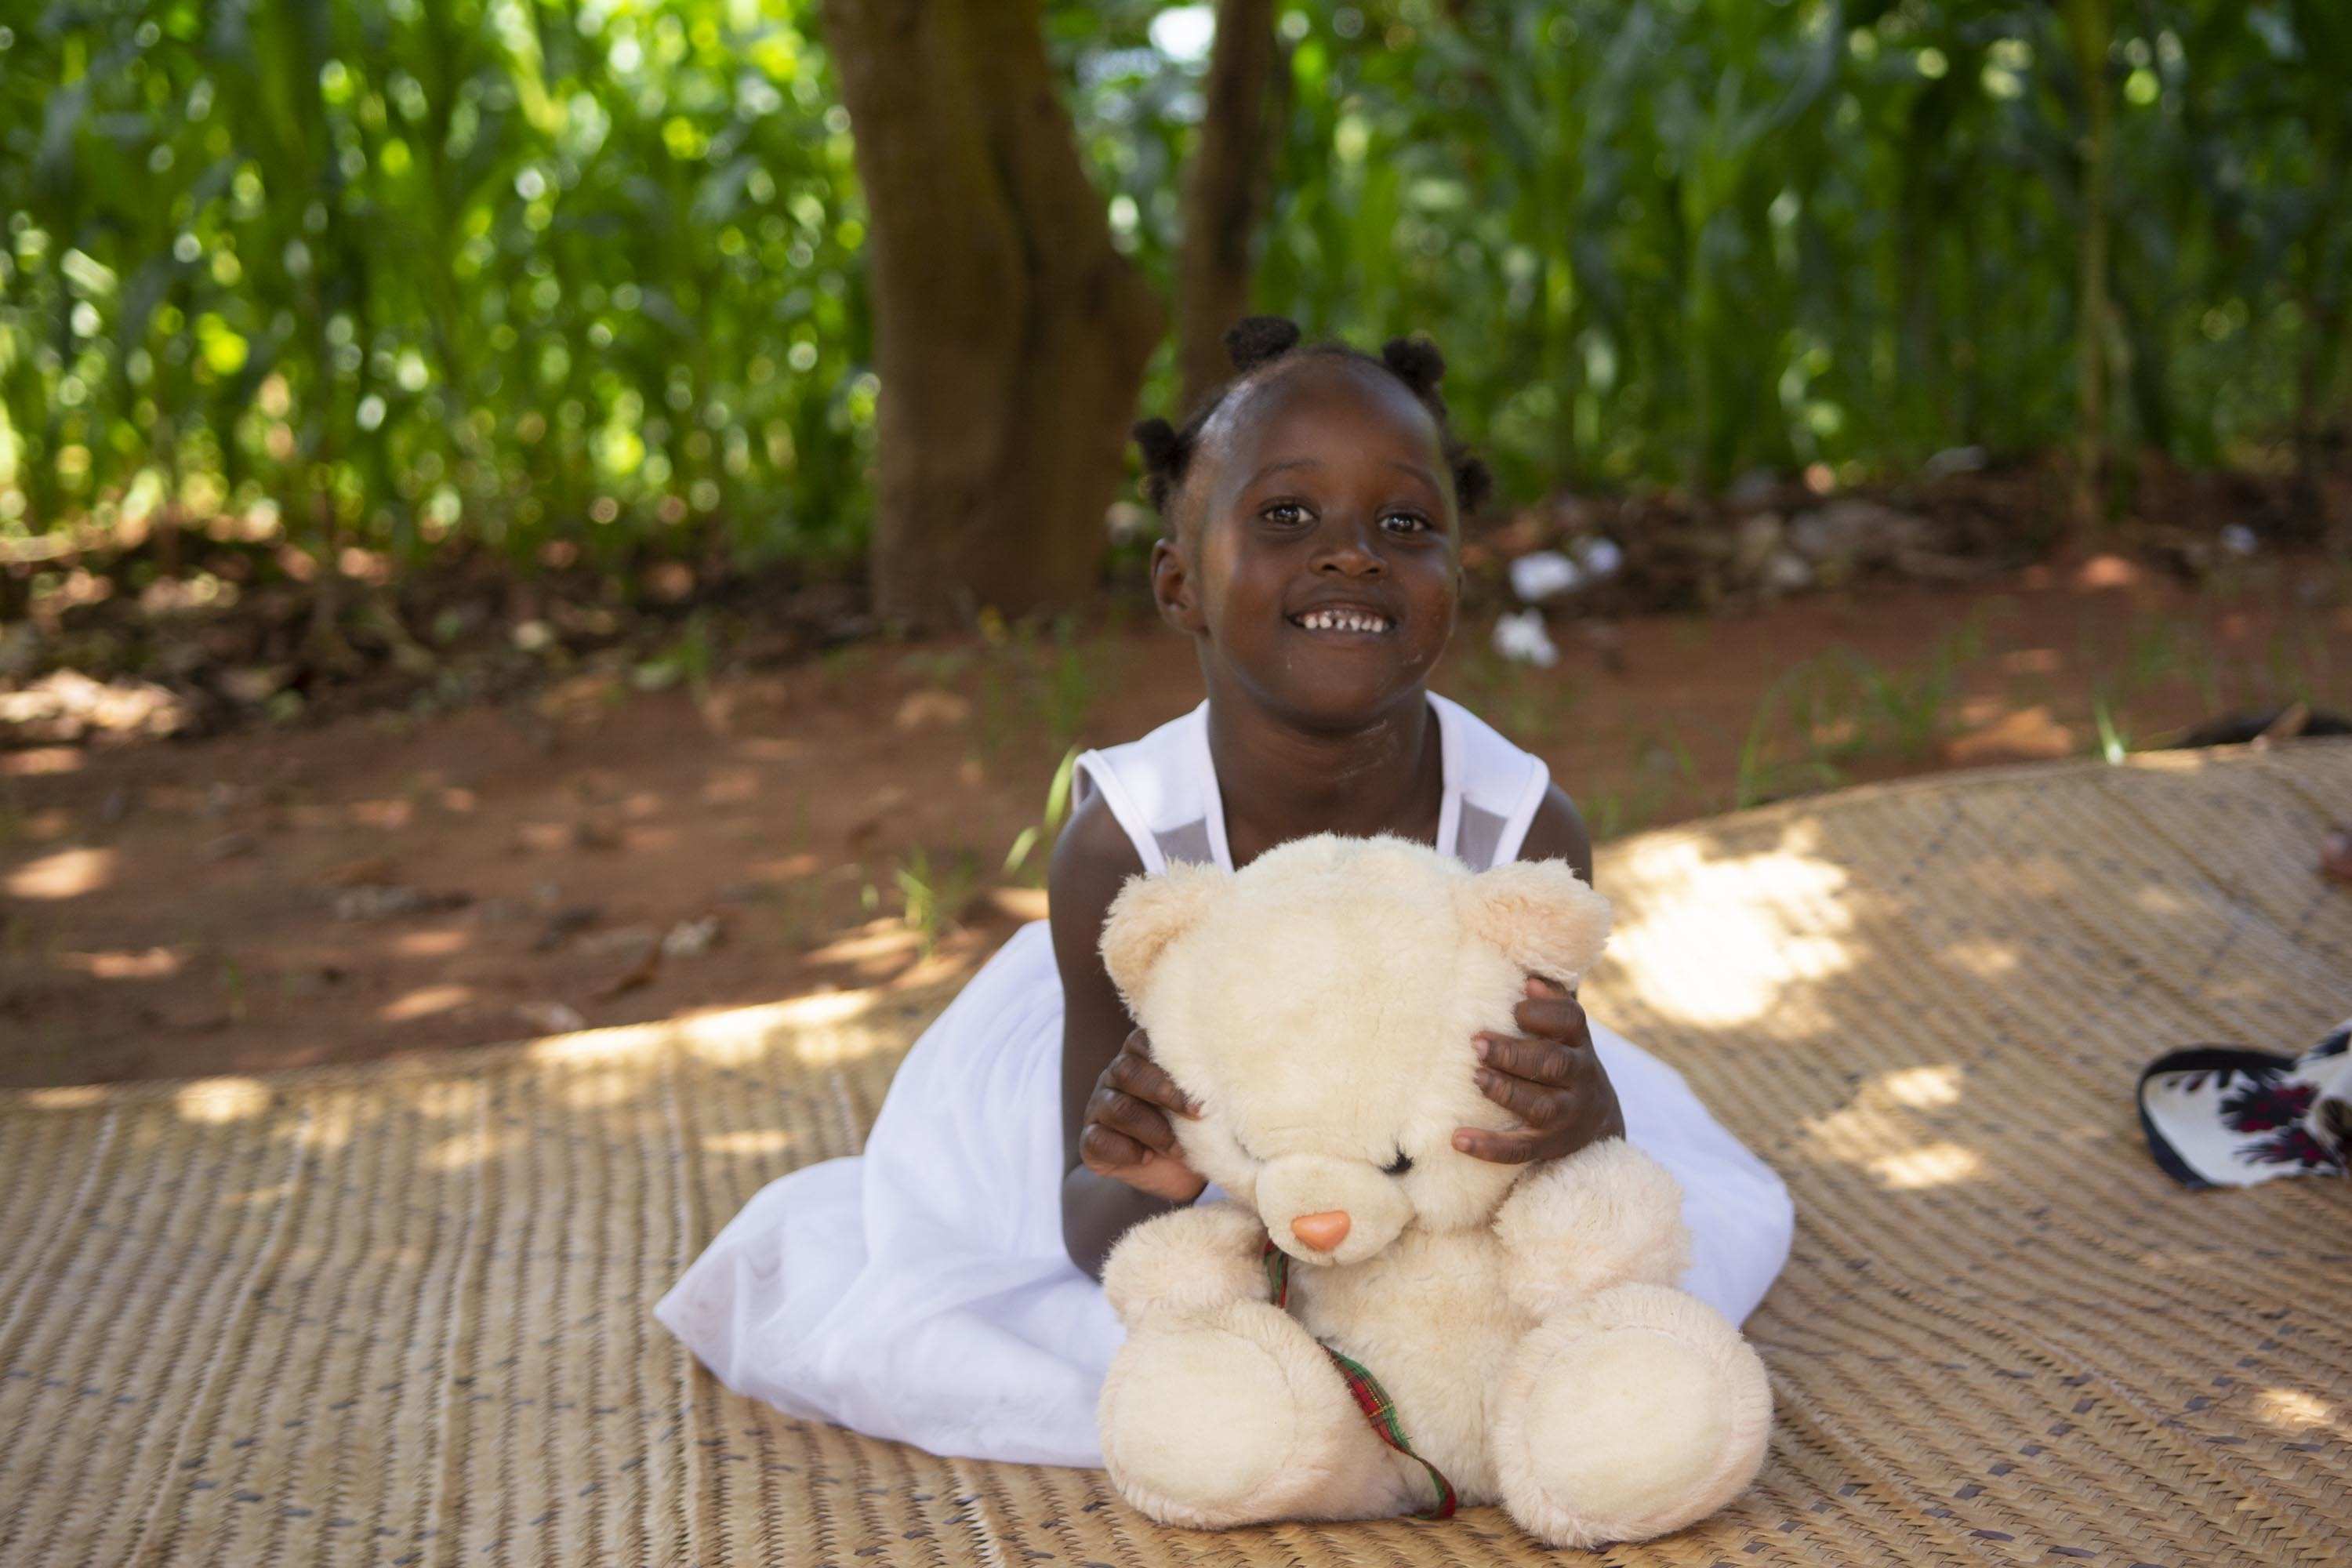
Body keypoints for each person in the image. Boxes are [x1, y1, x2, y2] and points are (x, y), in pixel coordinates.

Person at [656, 318, 1794, 1467]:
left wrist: (1582, 1114)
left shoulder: (1520, 831)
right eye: (1287, 516)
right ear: (1180, 583)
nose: (1353, 555)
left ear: (1457, 578)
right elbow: (1088, 1228)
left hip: (1410, 1178)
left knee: (1579, 1303)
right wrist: (1142, 1167)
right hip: (1203, 1179)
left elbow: (1556, 1157)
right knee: (1075, 1350)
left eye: (1406, 524)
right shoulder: (1124, 850)